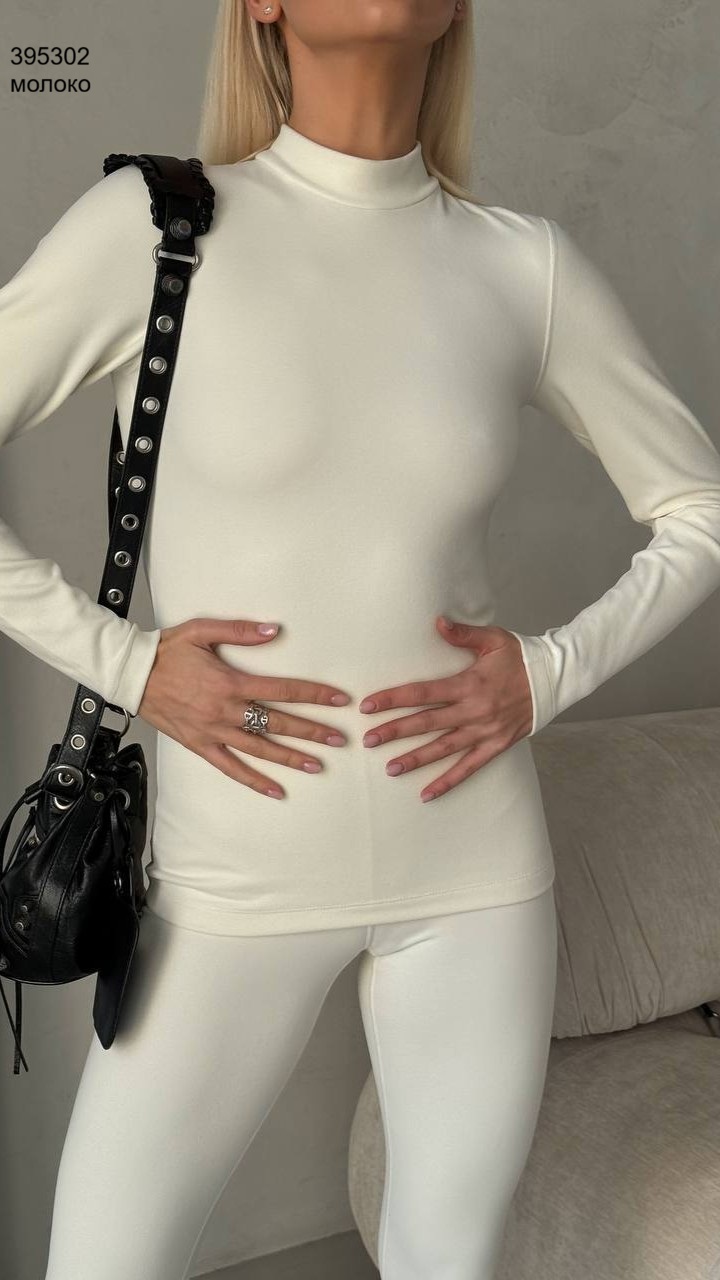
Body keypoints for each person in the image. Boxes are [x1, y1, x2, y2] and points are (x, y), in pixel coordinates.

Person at [1, 2, 719, 1278]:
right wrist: (130, 665)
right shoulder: (156, 229)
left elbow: (699, 508)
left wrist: (547, 674)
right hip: (229, 880)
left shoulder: (522, 266)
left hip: (475, 875)